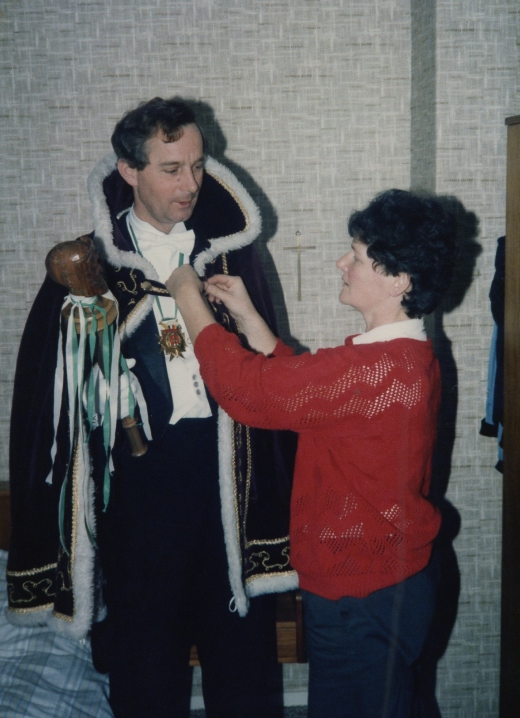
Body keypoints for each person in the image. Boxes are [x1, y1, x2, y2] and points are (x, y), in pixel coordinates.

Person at [7, 97, 298, 718]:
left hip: (224, 487)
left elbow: (269, 375)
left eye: (197, 165)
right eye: (171, 169)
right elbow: (44, 409)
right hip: (137, 496)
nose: (190, 183)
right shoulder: (87, 271)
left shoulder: (232, 255)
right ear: (128, 171)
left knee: (243, 670)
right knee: (145, 670)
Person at [165, 188, 458, 718]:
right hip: (385, 583)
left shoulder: (375, 371)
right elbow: (310, 394)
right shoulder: (402, 358)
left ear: (399, 279)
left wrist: (186, 295)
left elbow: (244, 391)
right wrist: (249, 317)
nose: (342, 263)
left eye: (358, 257)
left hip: (363, 597)